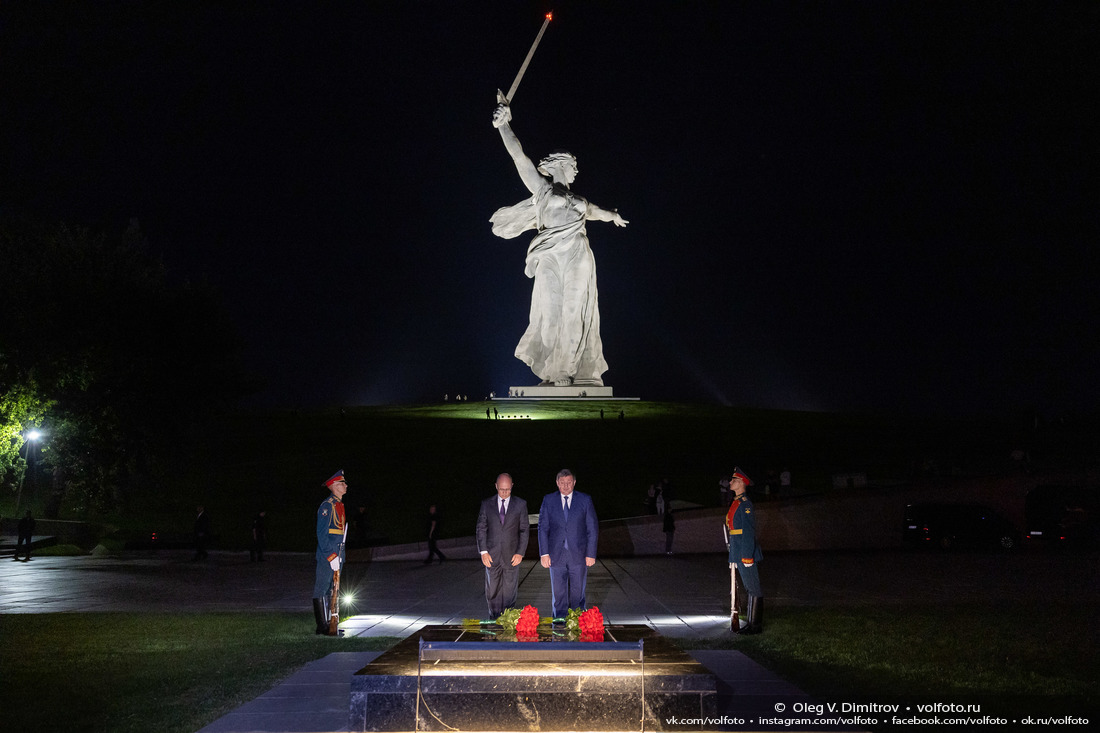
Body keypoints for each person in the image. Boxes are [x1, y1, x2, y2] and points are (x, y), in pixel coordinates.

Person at [491, 98, 627, 387]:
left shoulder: (580, 200)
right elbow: (520, 158)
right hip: (551, 255)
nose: (577, 170)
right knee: (550, 313)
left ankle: (568, 370)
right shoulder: (542, 191)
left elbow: (594, 212)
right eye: (574, 165)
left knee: (575, 312)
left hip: (578, 252)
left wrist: (612, 215)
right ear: (561, 166)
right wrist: (504, 125)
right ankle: (552, 371)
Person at [538, 469, 599, 617]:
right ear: (557, 483)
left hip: (578, 556)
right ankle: (559, 628)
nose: (566, 486)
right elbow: (543, 528)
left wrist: (591, 554)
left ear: (574, 483)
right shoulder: (549, 500)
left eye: (569, 483)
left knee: (577, 596)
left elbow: (592, 528)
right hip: (555, 556)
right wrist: (544, 554)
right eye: (563, 483)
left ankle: (577, 624)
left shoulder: (585, 500)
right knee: (558, 596)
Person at [475, 473, 530, 617]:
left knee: (509, 592)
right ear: (496, 486)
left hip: (512, 556)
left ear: (512, 486)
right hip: (491, 556)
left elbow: (524, 530)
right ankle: (493, 620)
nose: (504, 493)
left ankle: (507, 621)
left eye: (507, 489)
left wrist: (520, 552)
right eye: (501, 489)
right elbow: (481, 528)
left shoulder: (520, 504)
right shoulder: (486, 504)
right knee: (492, 591)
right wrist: (483, 552)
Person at [726, 468, 764, 634]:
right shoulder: (737, 502)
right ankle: (750, 623)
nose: (730, 482)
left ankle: (755, 626)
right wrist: (733, 553)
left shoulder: (746, 504)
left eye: (733, 480)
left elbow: (748, 531)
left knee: (754, 588)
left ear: (741, 483)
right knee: (750, 588)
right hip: (739, 550)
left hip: (745, 552)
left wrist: (747, 556)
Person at [313, 470, 348, 636]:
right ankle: (322, 626)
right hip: (328, 556)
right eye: (342, 483)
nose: (345, 485)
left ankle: (330, 623)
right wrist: (331, 556)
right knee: (322, 588)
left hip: (337, 554)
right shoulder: (327, 506)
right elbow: (322, 534)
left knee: (333, 590)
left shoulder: (339, 505)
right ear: (334, 486)